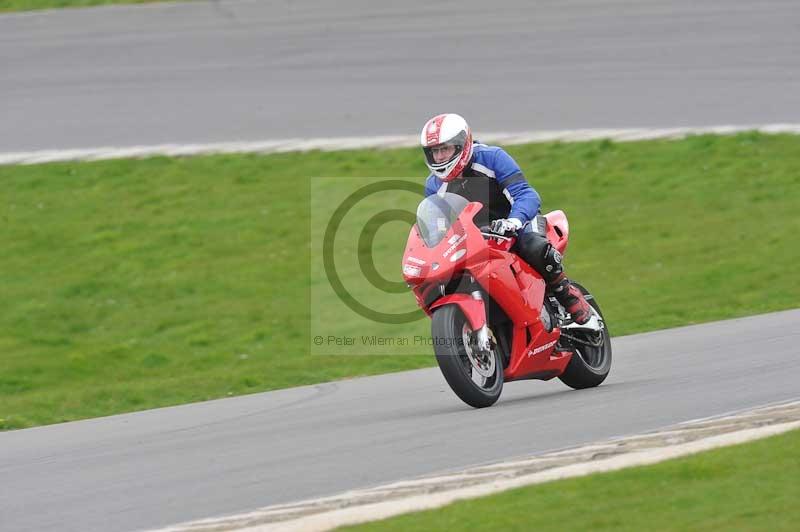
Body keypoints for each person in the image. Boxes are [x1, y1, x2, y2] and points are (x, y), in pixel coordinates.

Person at [421, 113, 592, 324]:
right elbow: (438, 225)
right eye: (434, 151)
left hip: (517, 223)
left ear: (461, 145)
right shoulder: (434, 185)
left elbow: (525, 194)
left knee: (534, 247)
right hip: (476, 240)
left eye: (445, 149)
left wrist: (514, 221)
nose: (439, 157)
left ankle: (566, 293)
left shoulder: (492, 157)